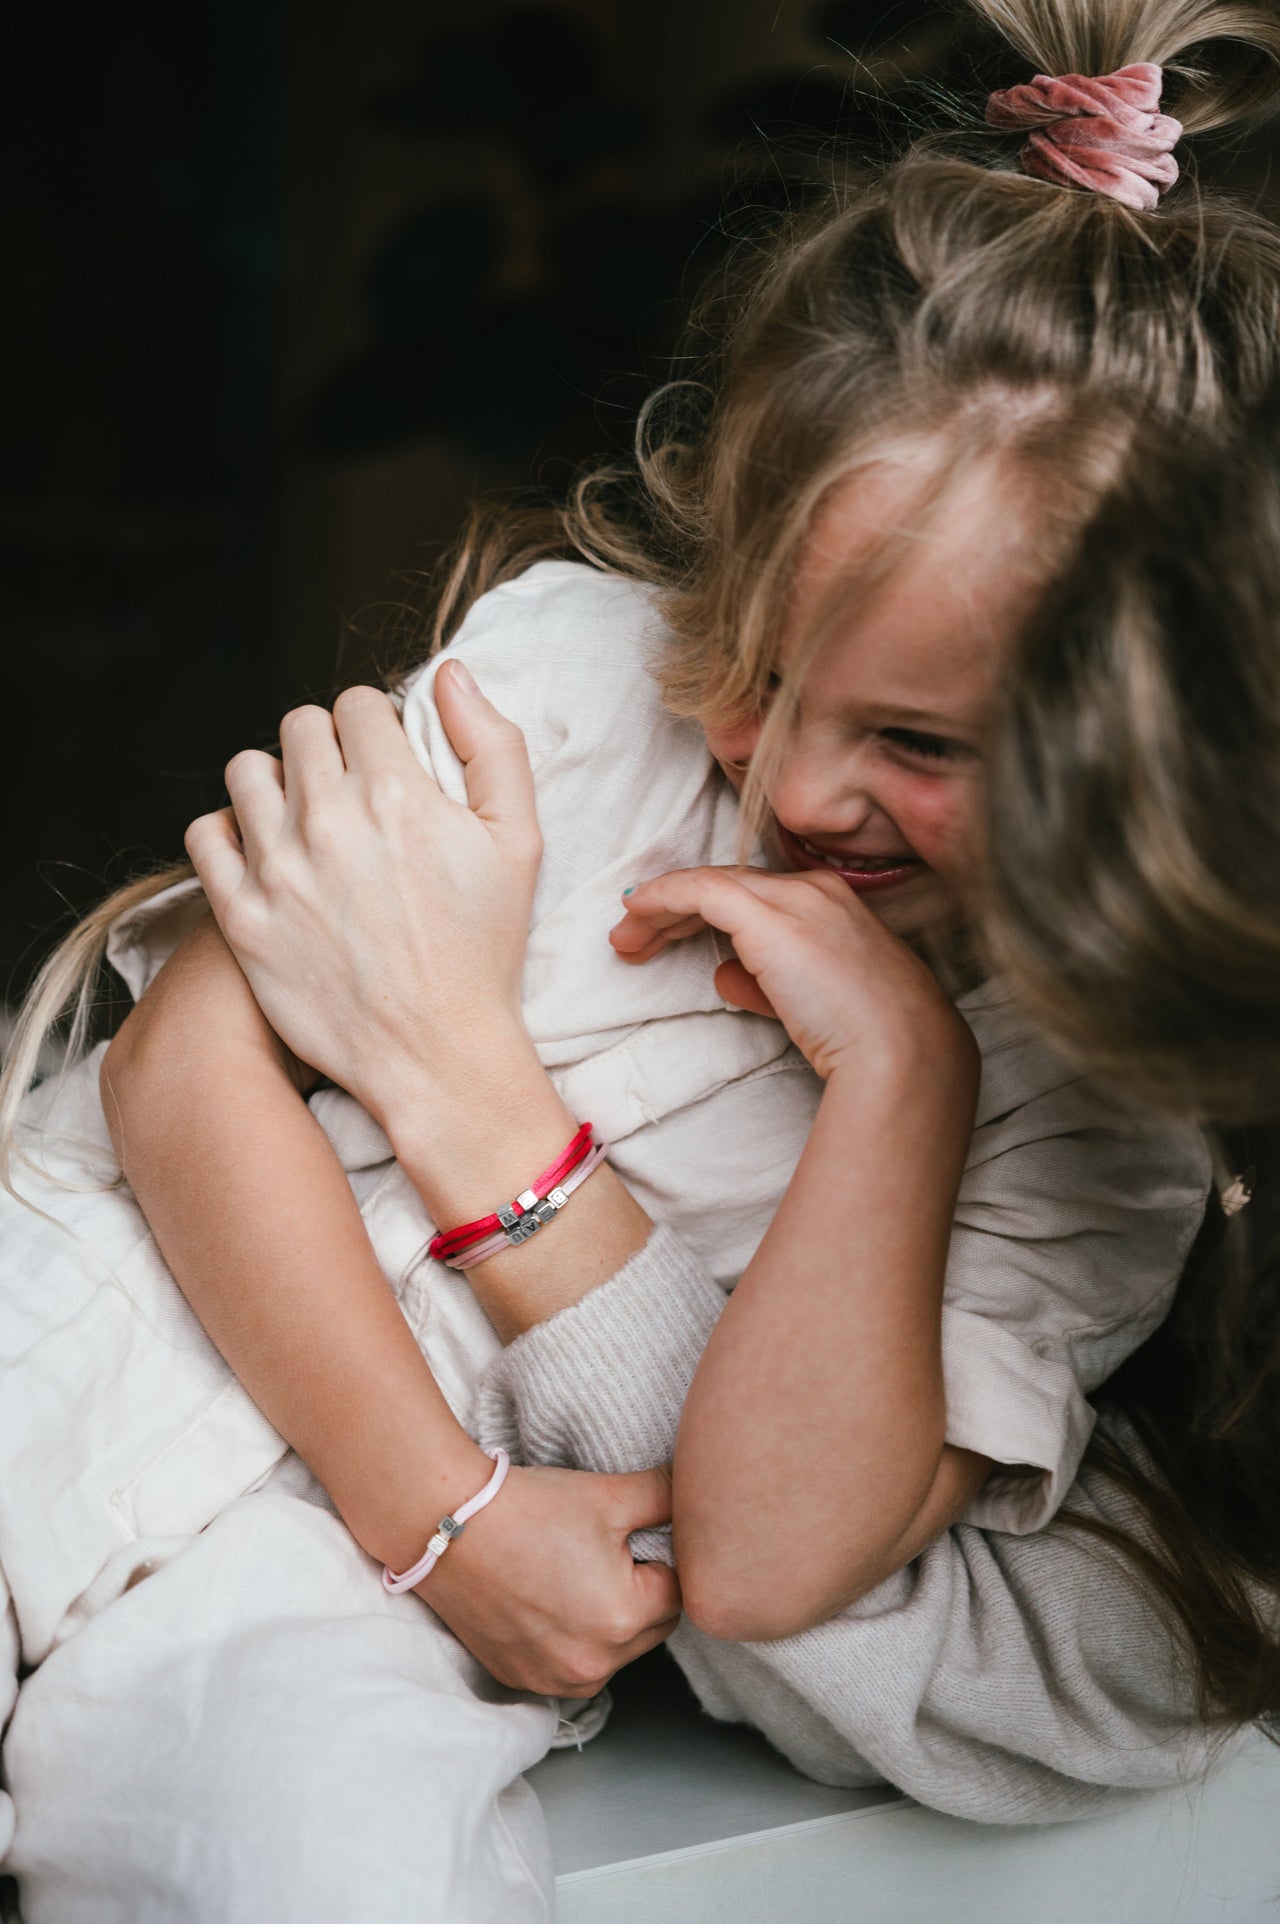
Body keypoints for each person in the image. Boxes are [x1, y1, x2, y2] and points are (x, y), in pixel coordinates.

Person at [2, 2, 1279, 1917]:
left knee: (315, 1864)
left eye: (924, 746)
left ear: (1143, 741)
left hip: (348, 1604)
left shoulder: (1091, 1121)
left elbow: (768, 1559)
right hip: (101, 1335)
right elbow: (176, 1073)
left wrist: (903, 1092)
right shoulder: (585, 678)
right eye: (762, 669)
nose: (797, 776)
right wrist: (437, 1511)